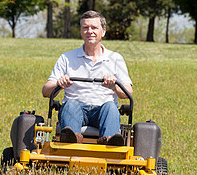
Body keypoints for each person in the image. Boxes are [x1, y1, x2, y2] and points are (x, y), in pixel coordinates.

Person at [42, 10, 133, 145]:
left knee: (110, 107)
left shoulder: (115, 58)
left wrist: (114, 86)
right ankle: (71, 138)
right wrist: (59, 85)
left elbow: (128, 93)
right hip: (76, 110)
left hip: (103, 110)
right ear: (81, 31)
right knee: (71, 104)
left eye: (94, 28)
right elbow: (46, 91)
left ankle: (109, 141)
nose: (90, 31)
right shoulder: (67, 58)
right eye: (85, 28)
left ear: (103, 31)